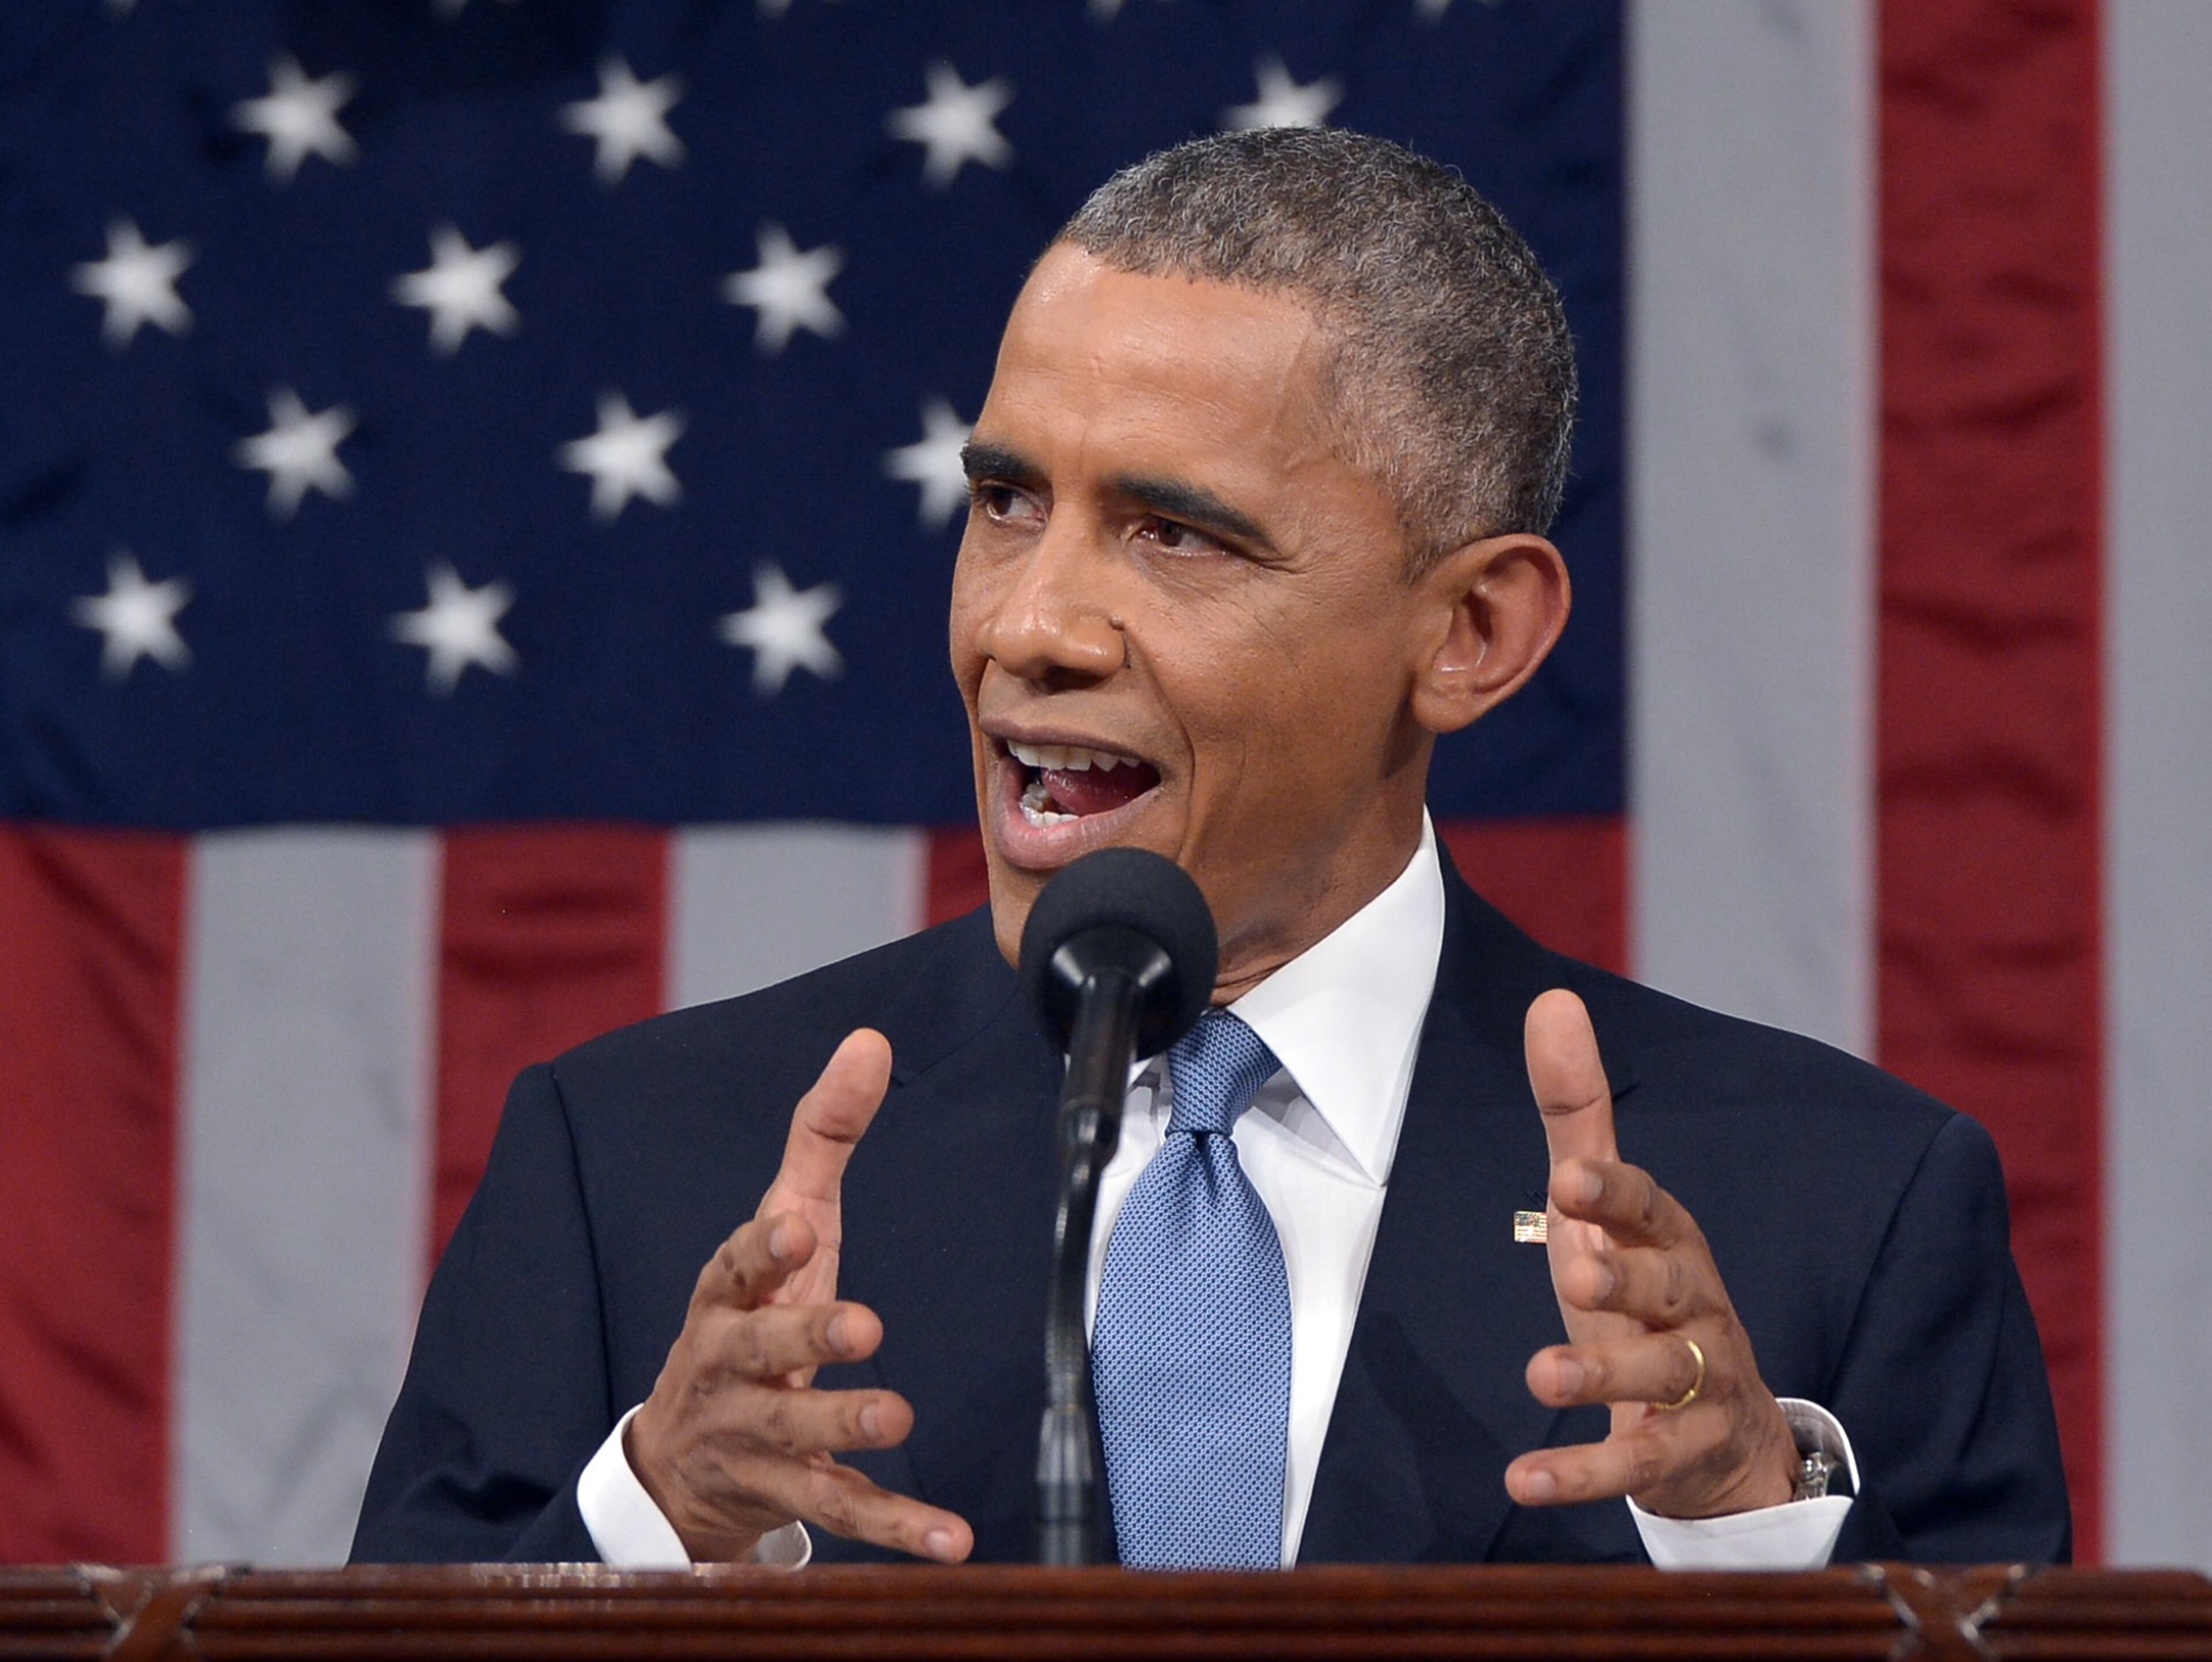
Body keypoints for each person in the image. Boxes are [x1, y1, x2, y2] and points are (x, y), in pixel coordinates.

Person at [353, 128, 2069, 1570]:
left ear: (1471, 630)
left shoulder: (1841, 1219)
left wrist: (1744, 1532)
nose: (1028, 625)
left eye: (1173, 534)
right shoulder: (635, 1171)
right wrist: (665, 1520)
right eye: (1010, 501)